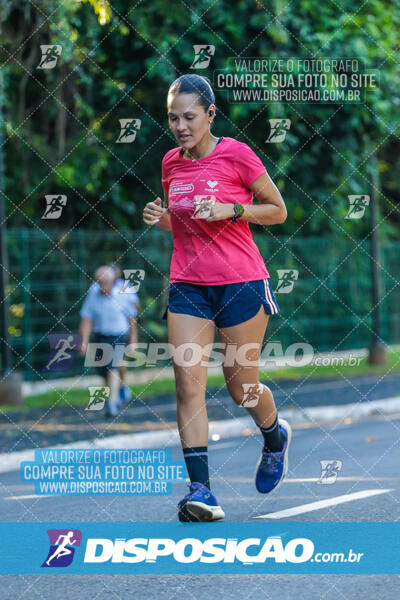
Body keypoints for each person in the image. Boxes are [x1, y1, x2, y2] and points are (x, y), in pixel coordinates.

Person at [143, 74, 291, 522]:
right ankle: (202, 491)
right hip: (189, 285)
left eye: (189, 116)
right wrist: (163, 217)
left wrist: (235, 208)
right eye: (173, 118)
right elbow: (187, 223)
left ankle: (274, 436)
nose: (180, 126)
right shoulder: (171, 163)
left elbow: (279, 211)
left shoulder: (237, 155)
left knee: (241, 387)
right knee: (188, 382)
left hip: (241, 282)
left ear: (210, 114)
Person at [79, 266, 139, 418]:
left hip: (118, 334)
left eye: (105, 282)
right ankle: (120, 388)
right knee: (103, 370)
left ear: (113, 281)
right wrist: (84, 341)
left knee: (114, 366)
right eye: (100, 282)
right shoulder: (93, 293)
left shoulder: (123, 293)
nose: (102, 285)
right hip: (100, 335)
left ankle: (112, 402)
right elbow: (87, 319)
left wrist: (133, 341)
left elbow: (132, 318)